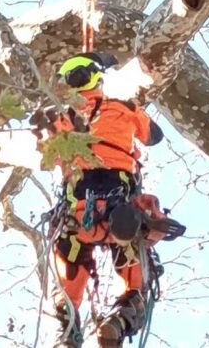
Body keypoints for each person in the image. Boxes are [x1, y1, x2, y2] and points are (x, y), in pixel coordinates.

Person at [36, 52, 166, 348]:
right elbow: (153, 136)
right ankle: (118, 321)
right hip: (118, 205)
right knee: (136, 274)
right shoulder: (125, 108)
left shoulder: (61, 118)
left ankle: (65, 330)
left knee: (67, 278)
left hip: (77, 209)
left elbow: (43, 155)